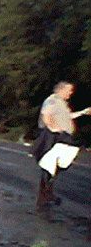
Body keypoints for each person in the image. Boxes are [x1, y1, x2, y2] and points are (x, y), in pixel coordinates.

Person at [32, 81, 91, 209]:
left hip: (63, 137)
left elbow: (68, 117)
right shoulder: (53, 100)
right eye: (69, 90)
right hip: (53, 137)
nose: (70, 93)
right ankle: (44, 194)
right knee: (49, 164)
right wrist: (52, 127)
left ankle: (47, 192)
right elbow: (46, 114)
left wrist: (83, 112)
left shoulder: (62, 103)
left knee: (58, 165)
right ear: (60, 90)